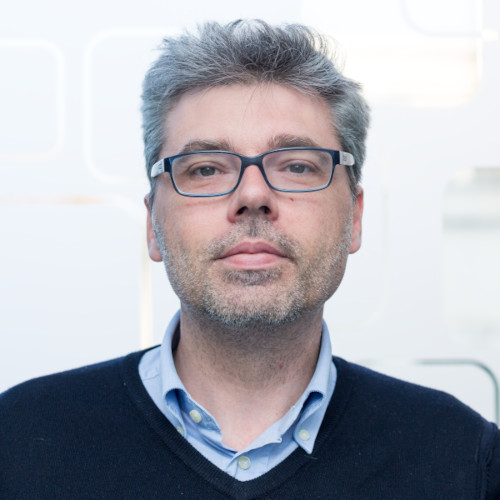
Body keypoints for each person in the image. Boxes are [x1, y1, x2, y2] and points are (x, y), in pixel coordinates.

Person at [1, 20, 499, 499]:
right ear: (153, 225)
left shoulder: (464, 458)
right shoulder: (17, 443)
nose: (253, 195)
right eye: (206, 169)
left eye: (297, 166)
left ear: (354, 218)